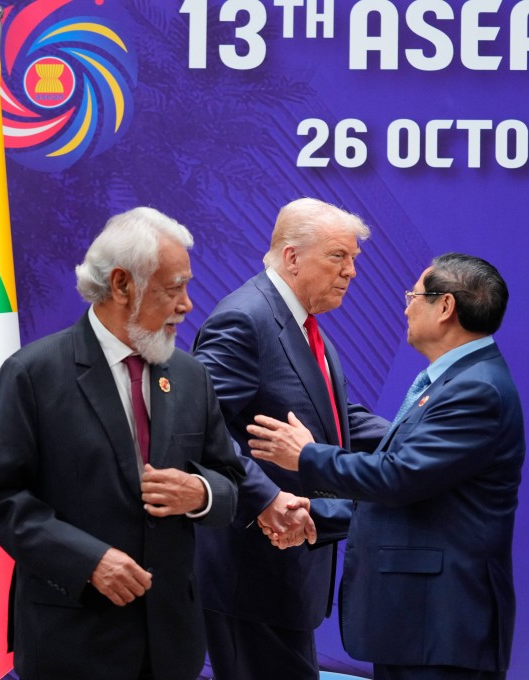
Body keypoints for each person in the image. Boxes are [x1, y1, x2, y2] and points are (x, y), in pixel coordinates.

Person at [0, 207, 244, 680]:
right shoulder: (34, 373)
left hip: (171, 643)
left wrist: (201, 495)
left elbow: (230, 482)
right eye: (173, 288)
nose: (187, 305)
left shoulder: (190, 375)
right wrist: (87, 560)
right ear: (121, 285)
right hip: (73, 638)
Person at [248, 253, 525, 680]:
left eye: (413, 295)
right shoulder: (452, 382)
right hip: (418, 626)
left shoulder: (476, 390)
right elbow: (421, 499)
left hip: (441, 628)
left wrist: (304, 455)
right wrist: (316, 516)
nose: (406, 307)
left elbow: (397, 477)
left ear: (445, 307)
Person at [191, 197, 390, 680]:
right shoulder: (246, 319)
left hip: (284, 575)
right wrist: (265, 498)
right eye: (338, 257)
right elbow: (195, 426)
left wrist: (421, 437)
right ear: (292, 256)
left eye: (354, 260)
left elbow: (336, 418)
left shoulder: (300, 323)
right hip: (250, 568)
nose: (351, 273)